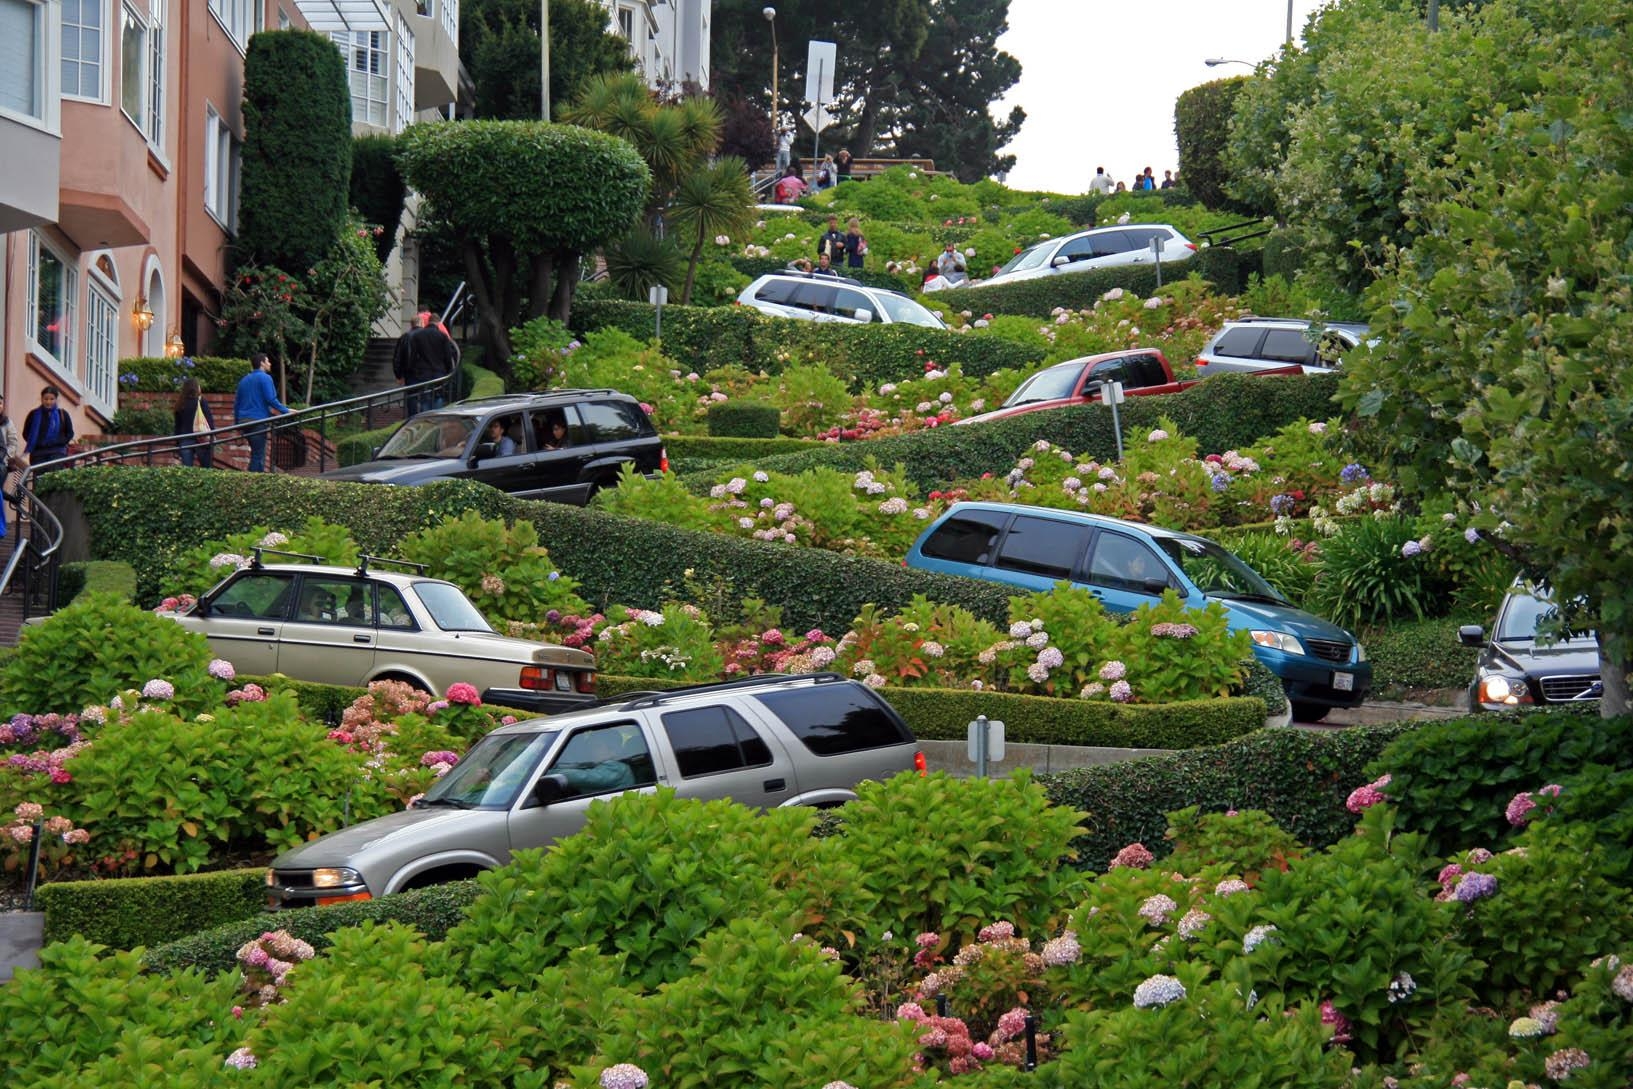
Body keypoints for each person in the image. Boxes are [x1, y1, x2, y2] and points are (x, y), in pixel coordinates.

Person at [233, 353, 291, 473]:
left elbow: (237, 404)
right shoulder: (265, 378)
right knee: (258, 455)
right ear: (262, 363)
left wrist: (237, 427)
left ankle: (251, 480)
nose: (270, 363)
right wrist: (286, 410)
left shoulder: (244, 380)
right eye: (268, 361)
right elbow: (270, 399)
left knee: (255, 453)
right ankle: (253, 483)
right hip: (258, 421)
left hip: (243, 421)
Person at [23, 386, 75, 472]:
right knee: (39, 481)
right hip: (38, 454)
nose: (48, 402)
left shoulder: (62, 414)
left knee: (54, 479)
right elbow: (26, 433)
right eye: (45, 399)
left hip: (57, 452)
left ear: (56, 400)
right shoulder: (33, 414)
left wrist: (59, 442)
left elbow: (70, 433)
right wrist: (37, 442)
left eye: (52, 399)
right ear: (41, 399)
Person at [173, 376, 215, 469]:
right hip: (201, 438)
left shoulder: (180, 404)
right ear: (197, 388)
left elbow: (177, 427)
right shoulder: (201, 401)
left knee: (187, 470)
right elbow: (209, 419)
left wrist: (177, 443)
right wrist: (212, 434)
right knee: (206, 468)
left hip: (184, 438)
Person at [0, 394, 20, 534]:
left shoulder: (6, 422)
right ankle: (9, 497)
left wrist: (6, 457)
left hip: (2, 463)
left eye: (0, 404)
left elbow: (13, 443)